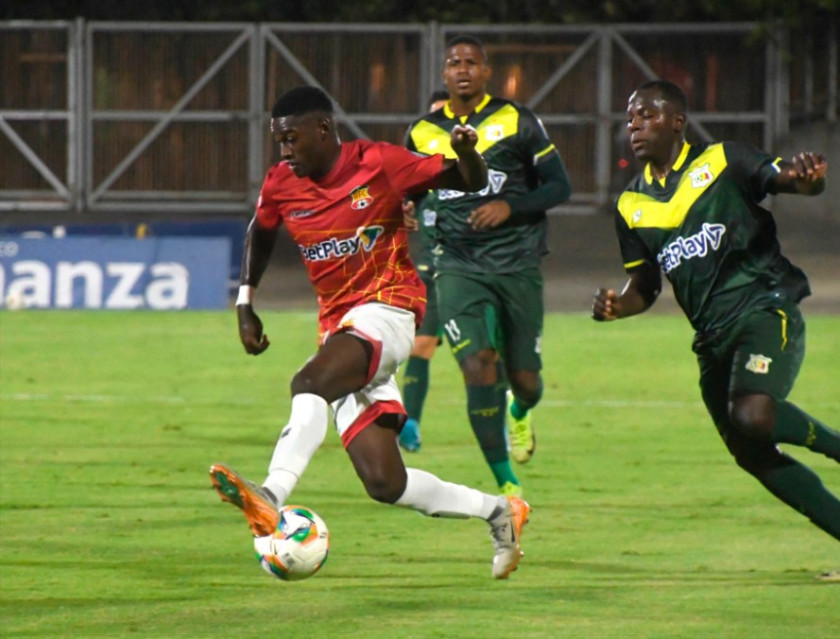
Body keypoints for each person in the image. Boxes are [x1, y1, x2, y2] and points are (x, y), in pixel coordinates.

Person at [209, 85, 530, 580]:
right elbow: (262, 227)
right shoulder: (281, 183)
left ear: (324, 130)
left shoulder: (378, 163)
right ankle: (500, 512)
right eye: (279, 142)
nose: (285, 151)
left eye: (292, 139)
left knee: (309, 384)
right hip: (341, 330)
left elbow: (465, 179)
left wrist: (467, 154)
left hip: (390, 309)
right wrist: (246, 299)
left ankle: (271, 496)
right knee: (385, 482)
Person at [592, 79, 840, 582]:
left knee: (753, 413)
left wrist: (809, 179)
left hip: (765, 308)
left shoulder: (723, 161)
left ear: (677, 121)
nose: (635, 126)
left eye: (646, 116)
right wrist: (617, 305)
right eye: (629, 119)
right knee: (752, 454)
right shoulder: (631, 205)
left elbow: (793, 181)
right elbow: (644, 286)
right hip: (711, 341)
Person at [404, 35, 572, 496]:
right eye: (454, 62)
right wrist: (401, 208)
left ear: (485, 72)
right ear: (444, 74)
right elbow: (410, 189)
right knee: (478, 364)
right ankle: (508, 486)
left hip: (516, 264)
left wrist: (510, 207)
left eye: (471, 62)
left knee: (526, 380)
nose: (462, 69)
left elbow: (560, 187)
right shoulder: (422, 132)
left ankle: (519, 411)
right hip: (455, 266)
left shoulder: (516, 120)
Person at [397, 90, 449, 453]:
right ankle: (410, 422)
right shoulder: (422, 178)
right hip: (433, 271)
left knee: (489, 355)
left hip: (476, 272)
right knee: (421, 345)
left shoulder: (477, 171)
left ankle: (508, 416)